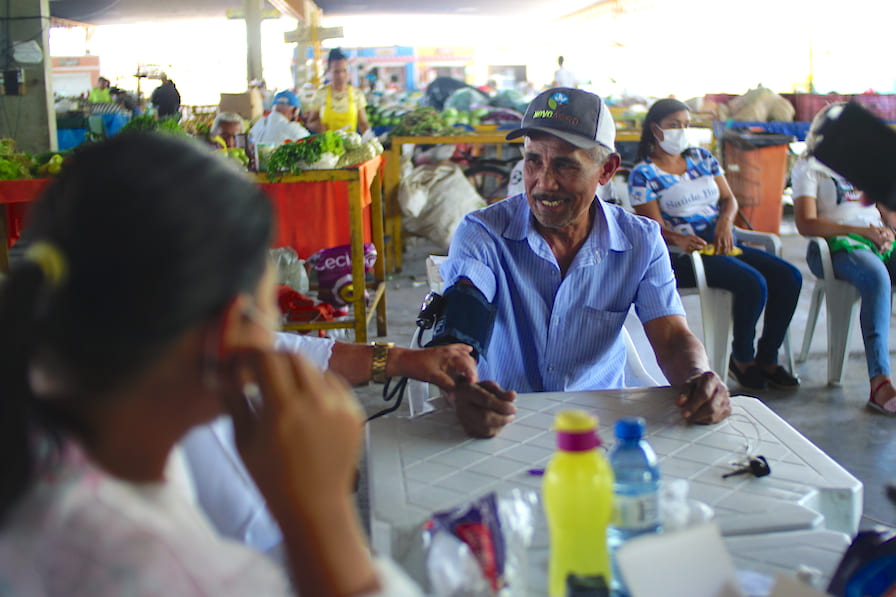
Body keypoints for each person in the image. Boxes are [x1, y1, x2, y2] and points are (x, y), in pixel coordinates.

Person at [0, 132, 423, 596]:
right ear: (231, 334)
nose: (274, 339)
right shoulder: (169, 571)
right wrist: (323, 511)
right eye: (269, 312)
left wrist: (395, 360)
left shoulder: (67, 429)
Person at [439, 88, 731, 439]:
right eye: (533, 161)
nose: (544, 183)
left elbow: (671, 339)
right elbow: (460, 329)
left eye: (564, 164)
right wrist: (460, 389)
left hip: (598, 423)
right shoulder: (482, 234)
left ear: (606, 169)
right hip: (503, 420)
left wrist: (699, 378)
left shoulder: (640, 241)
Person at [182, 331, 478, 561]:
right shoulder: (203, 436)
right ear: (234, 317)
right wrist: (325, 491)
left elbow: (293, 351)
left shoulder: (186, 362)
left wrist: (402, 360)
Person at [628, 98, 802, 392]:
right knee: (752, 283)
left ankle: (768, 358)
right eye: (674, 125)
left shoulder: (701, 158)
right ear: (656, 130)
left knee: (788, 277)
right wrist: (679, 237)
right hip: (682, 254)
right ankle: (743, 359)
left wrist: (725, 222)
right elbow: (652, 227)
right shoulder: (643, 174)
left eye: (685, 124)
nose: (682, 130)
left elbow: (728, 199)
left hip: (720, 239)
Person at [792, 102, 896, 415]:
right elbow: (806, 223)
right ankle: (880, 382)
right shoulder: (809, 167)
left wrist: (887, 229)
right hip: (832, 246)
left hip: (874, 240)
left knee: (881, 266)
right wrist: (860, 232)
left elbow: (887, 211)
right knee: (877, 277)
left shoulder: (865, 166)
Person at [305, 48, 370, 134]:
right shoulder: (320, 94)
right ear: (329, 71)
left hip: (350, 146)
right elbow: (310, 123)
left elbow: (363, 124)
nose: (341, 75)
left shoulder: (357, 94)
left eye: (344, 70)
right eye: (336, 71)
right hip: (328, 145)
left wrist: (371, 140)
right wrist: (317, 126)